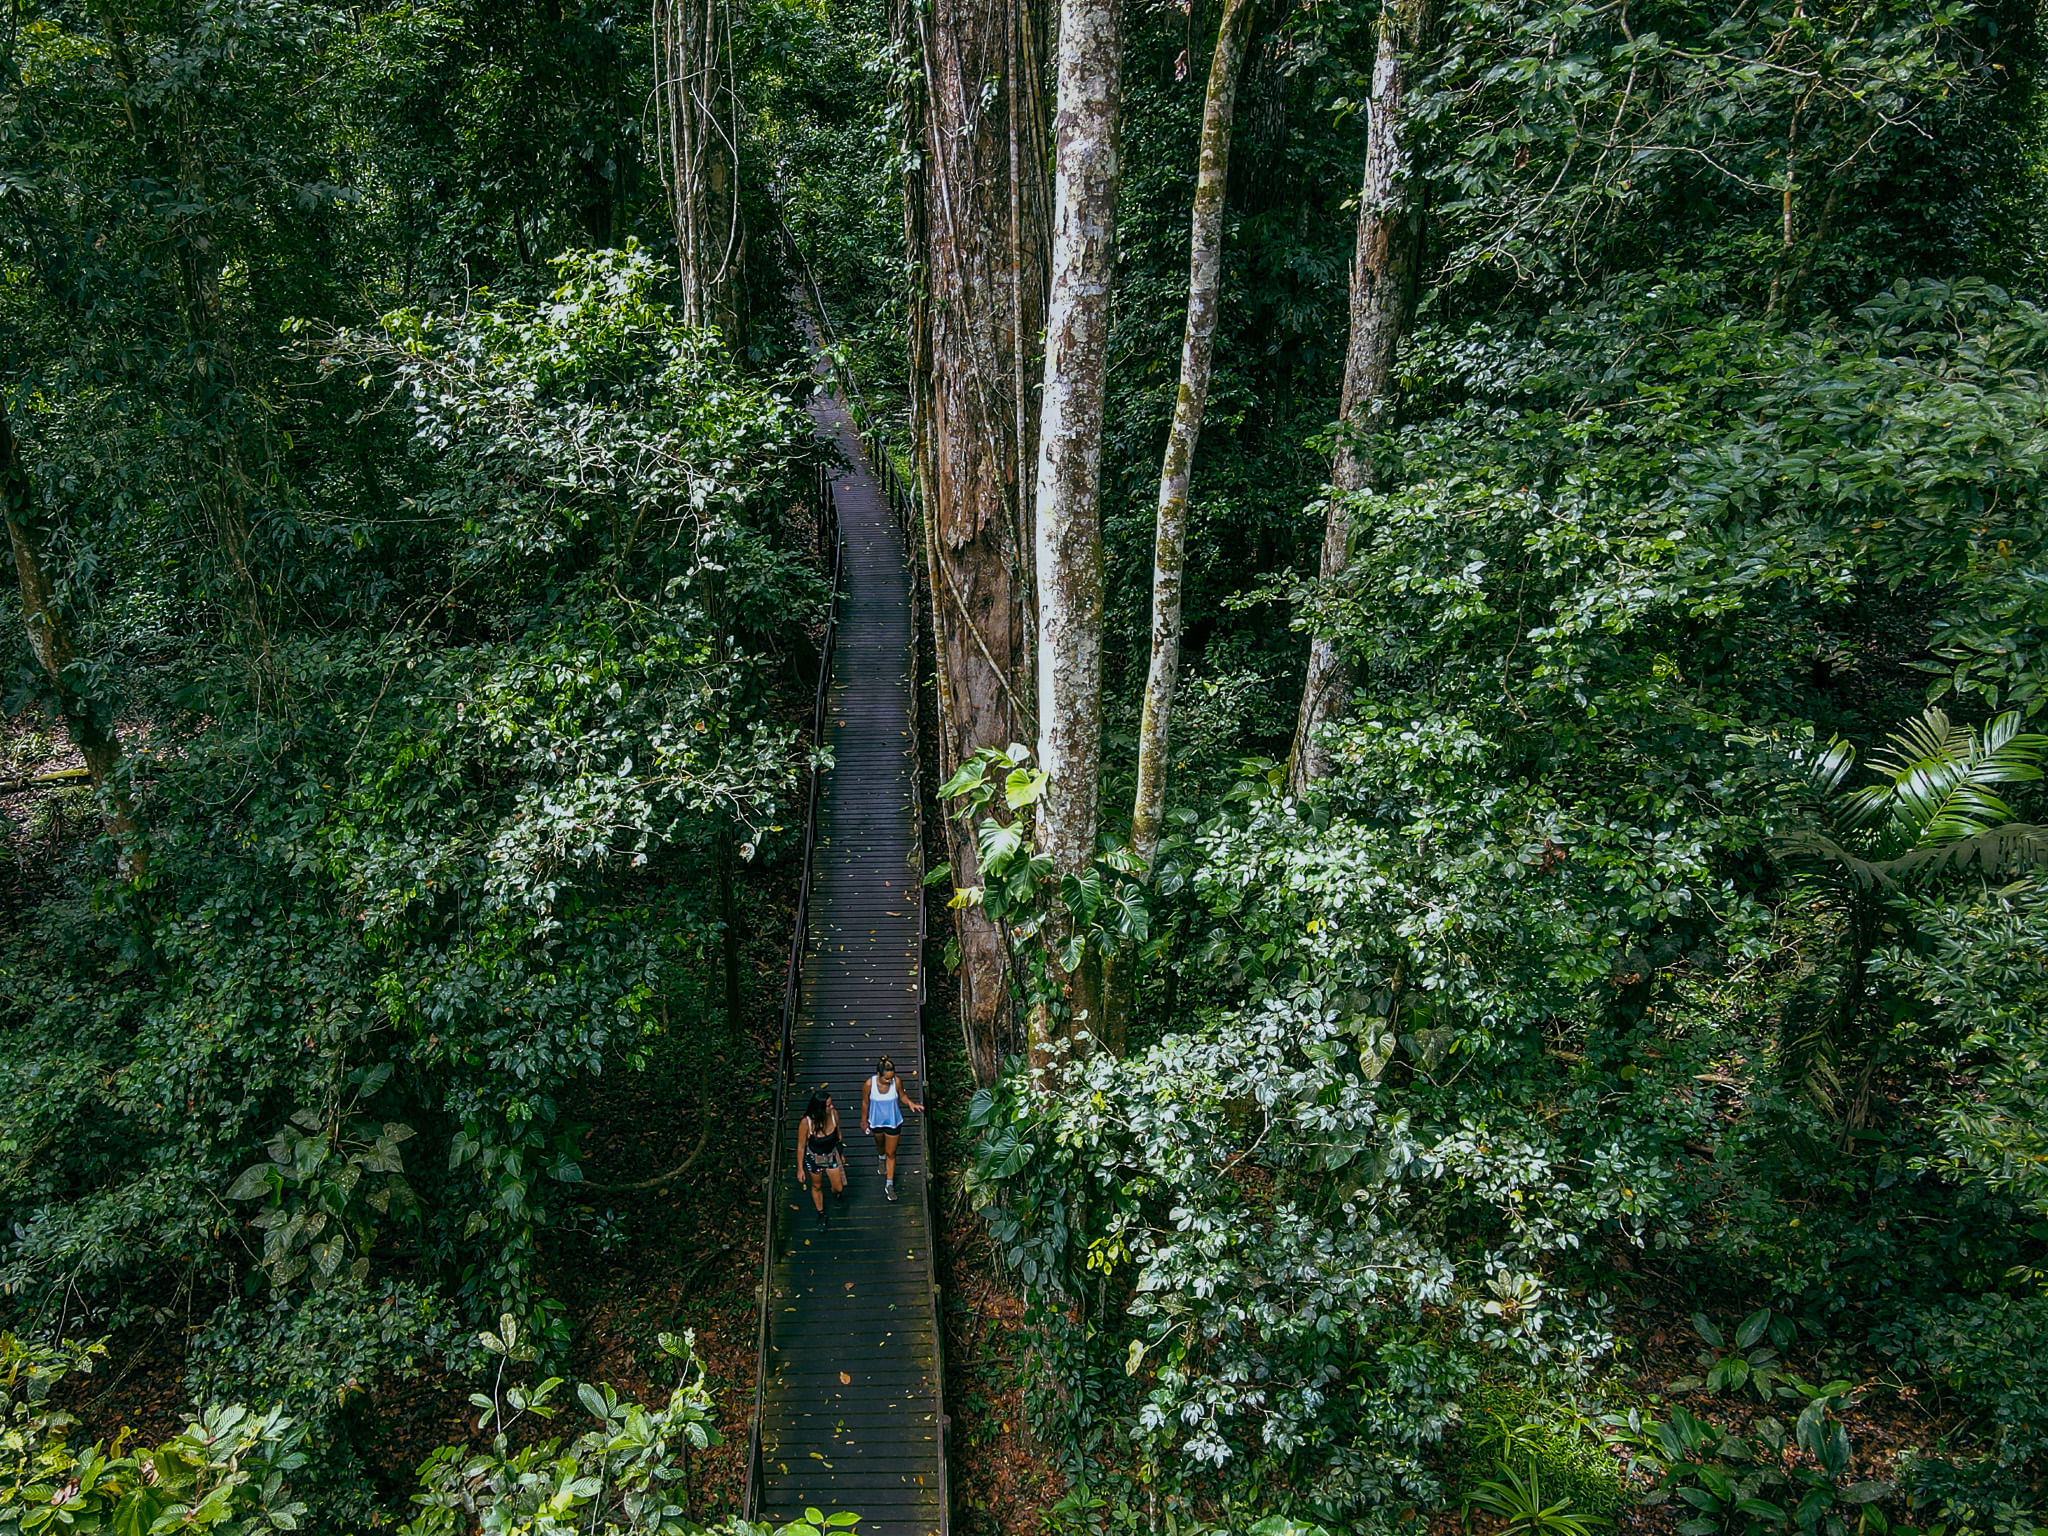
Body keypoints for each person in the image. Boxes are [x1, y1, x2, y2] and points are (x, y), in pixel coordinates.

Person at [861, 1056, 924, 1202]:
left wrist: (911, 1104)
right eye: (886, 1079)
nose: (890, 1081)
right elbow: (865, 1102)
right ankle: (880, 1157)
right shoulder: (869, 1084)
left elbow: (902, 1095)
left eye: (891, 1078)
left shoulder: (897, 1082)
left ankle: (889, 1184)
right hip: (876, 1121)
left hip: (893, 1121)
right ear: (879, 1075)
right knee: (880, 1145)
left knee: (891, 1152)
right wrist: (863, 1120)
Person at [795, 1087, 845, 1231]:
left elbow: (839, 1135)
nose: (832, 1107)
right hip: (814, 1158)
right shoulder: (807, 1123)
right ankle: (821, 1213)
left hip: (831, 1154)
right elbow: (801, 1146)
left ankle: (836, 1194)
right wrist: (800, 1168)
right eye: (828, 1105)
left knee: (838, 1187)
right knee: (816, 1186)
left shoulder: (834, 1115)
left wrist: (841, 1153)